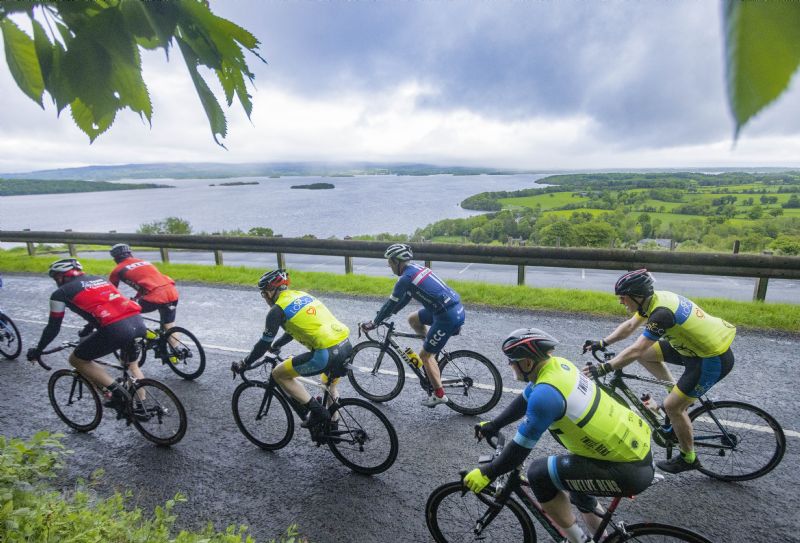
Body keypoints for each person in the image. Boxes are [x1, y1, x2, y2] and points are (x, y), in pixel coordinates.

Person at [466, 328, 653, 543]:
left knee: (539, 474)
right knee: (576, 484)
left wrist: (487, 473)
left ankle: (578, 540)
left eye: (512, 360)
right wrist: (494, 424)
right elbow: (526, 398)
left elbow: (519, 450)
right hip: (632, 448)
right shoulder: (558, 366)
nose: (509, 365)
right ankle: (602, 539)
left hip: (626, 469)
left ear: (527, 363)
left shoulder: (546, 396)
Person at [582, 268, 736, 474]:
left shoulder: (661, 314)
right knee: (648, 355)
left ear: (637, 296)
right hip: (692, 349)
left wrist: (604, 367)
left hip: (711, 359)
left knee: (673, 407)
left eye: (623, 297)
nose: (621, 302)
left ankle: (688, 458)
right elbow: (629, 326)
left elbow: (636, 348)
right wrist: (602, 342)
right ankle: (676, 393)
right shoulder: (653, 300)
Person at [26, 258, 147, 415]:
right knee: (132, 365)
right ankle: (142, 408)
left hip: (116, 330)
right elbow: (108, 305)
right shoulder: (99, 280)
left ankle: (117, 392)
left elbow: (53, 327)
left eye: (56, 277)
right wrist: (87, 329)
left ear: (64, 276)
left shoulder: (60, 293)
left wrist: (39, 349)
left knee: (77, 360)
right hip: (138, 324)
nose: (56, 281)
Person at [238, 269, 352, 430]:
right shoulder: (301, 295)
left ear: (272, 291)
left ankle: (318, 411)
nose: (265, 298)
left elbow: (263, 344)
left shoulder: (276, 311)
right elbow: (293, 329)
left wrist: (245, 362)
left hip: (325, 354)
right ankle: (333, 426)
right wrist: (277, 345)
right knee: (329, 385)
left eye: (264, 294)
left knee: (279, 374)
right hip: (346, 345)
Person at [363, 243, 465, 408]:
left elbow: (391, 302)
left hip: (446, 316)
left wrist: (375, 322)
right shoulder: (416, 268)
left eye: (390, 261)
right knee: (413, 319)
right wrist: (387, 315)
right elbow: (405, 298)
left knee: (424, 356)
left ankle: (439, 394)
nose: (388, 265)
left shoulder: (405, 279)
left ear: (397, 261)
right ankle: (431, 349)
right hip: (452, 308)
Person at [108, 244, 179, 330]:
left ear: (115, 258)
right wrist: (137, 297)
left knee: (126, 311)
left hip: (155, 297)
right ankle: (173, 343)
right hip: (172, 292)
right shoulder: (145, 262)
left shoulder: (117, 270)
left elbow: (111, 291)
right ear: (130, 253)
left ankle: (138, 334)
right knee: (169, 325)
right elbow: (147, 284)